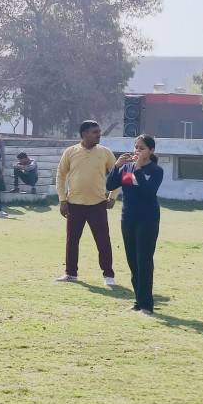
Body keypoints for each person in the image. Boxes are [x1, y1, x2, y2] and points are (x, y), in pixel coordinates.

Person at [106, 135, 163, 315]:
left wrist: (138, 169)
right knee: (132, 261)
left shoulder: (155, 170)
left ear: (151, 151)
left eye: (142, 148)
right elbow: (110, 184)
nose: (137, 151)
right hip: (128, 218)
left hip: (147, 220)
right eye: (136, 147)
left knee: (144, 260)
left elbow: (148, 192)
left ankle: (147, 305)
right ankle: (138, 300)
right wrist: (116, 166)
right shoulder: (127, 168)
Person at [56, 120, 118, 285]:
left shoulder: (105, 152)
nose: (99, 134)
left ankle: (108, 275)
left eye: (99, 131)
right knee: (72, 240)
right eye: (95, 132)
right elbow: (61, 175)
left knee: (103, 240)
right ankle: (71, 273)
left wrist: (113, 196)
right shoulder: (71, 152)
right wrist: (62, 200)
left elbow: (117, 175)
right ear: (84, 134)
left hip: (98, 204)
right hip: (74, 204)